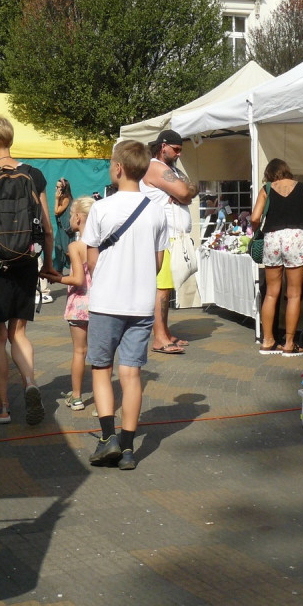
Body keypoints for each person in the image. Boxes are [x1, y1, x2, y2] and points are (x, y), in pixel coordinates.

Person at [0, 115, 57, 426]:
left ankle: (3, 408)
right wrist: (50, 264)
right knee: (19, 333)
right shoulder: (34, 174)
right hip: (26, 261)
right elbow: (47, 227)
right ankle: (30, 383)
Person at [81, 140, 167, 470]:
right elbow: (158, 262)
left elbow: (91, 259)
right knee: (132, 374)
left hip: (106, 302)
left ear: (118, 168)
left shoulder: (101, 209)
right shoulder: (157, 210)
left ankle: (107, 439)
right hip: (141, 304)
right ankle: (129, 448)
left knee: (101, 369)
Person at [250, 158, 303, 357]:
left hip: (272, 238)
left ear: (270, 174)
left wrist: (258, 230)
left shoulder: (266, 189)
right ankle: (289, 343)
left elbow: (254, 218)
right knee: (294, 294)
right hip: (295, 238)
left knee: (271, 293)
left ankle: (268, 340)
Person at [140, 129, 198, 354]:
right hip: (163, 238)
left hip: (171, 237)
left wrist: (186, 191)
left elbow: (191, 189)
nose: (179, 154)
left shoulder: (170, 169)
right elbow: (185, 191)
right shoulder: (155, 167)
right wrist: (184, 191)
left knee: (167, 288)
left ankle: (165, 331)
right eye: (176, 149)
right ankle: (159, 338)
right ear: (163, 146)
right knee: (161, 289)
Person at [43, 194, 95, 412]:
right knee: (102, 353)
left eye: (72, 215)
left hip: (79, 304)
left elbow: (77, 279)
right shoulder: (101, 243)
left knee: (79, 352)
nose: (70, 219)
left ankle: (76, 397)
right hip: (100, 303)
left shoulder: (76, 246)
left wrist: (56, 278)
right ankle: (103, 402)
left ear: (80, 218)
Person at [53, 177, 74, 274]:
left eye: (58, 187)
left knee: (67, 250)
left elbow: (56, 212)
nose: (56, 189)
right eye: (56, 186)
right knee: (58, 247)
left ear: (63, 188)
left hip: (66, 230)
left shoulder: (66, 199)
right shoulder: (62, 198)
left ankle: (74, 268)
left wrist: (56, 199)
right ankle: (58, 270)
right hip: (60, 229)